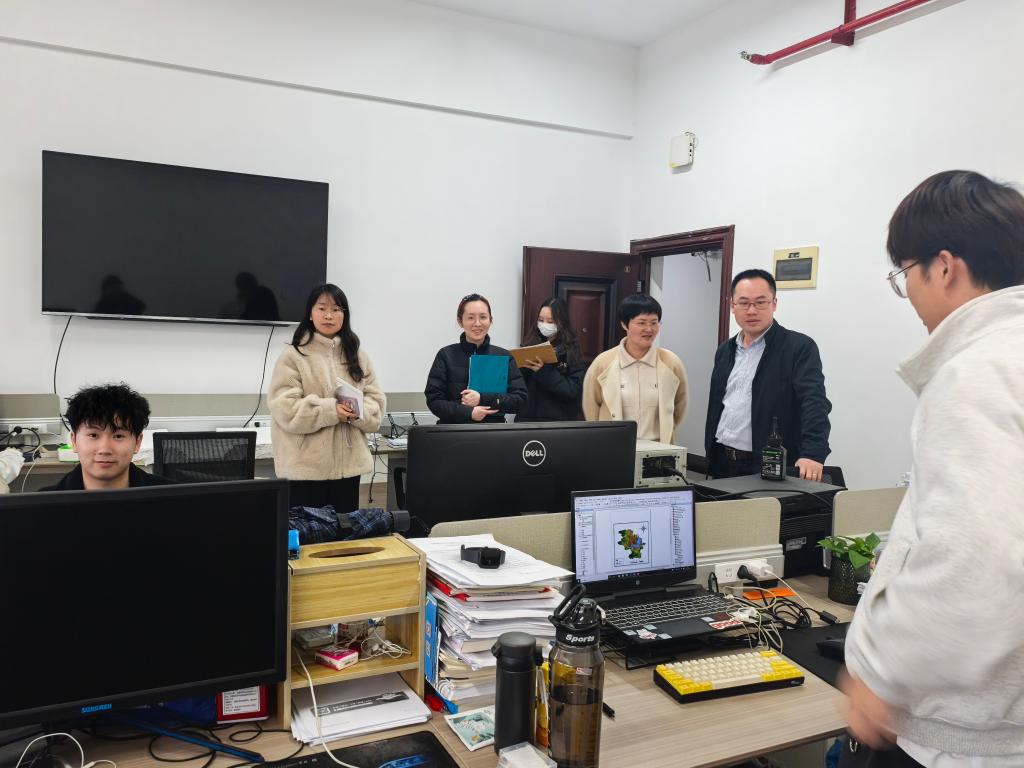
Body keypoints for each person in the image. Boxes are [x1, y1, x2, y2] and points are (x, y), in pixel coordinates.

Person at [840, 170, 1024, 766]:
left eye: (905, 275)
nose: (911, 297)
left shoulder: (976, 373)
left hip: (963, 736)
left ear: (944, 267)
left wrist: (882, 676)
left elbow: (978, 559)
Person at [704, 269, 831, 480]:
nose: (751, 310)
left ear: (774, 304)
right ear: (733, 306)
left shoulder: (798, 348)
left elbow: (814, 402)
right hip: (722, 460)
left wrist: (813, 453)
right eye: (744, 303)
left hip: (768, 462)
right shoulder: (725, 350)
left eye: (760, 302)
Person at [269, 284, 385, 515]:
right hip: (305, 471)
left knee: (344, 533)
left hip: (348, 469)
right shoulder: (293, 355)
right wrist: (331, 410)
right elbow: (285, 407)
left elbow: (376, 403)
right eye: (322, 308)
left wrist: (357, 411)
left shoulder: (358, 355)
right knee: (308, 534)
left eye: (336, 309)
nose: (329, 315)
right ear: (310, 314)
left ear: (344, 315)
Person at [582, 294, 687, 444]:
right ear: (625, 325)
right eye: (641, 322)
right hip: (614, 447)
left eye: (654, 322)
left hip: (659, 448)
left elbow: (680, 405)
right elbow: (591, 405)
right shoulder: (603, 362)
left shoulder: (671, 362)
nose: (649, 329)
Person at [40, 383, 173, 491]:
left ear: (137, 443)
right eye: (93, 435)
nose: (104, 449)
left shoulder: (172, 498)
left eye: (118, 436)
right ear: (74, 441)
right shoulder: (43, 506)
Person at [425, 293, 528, 424]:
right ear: (460, 321)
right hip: (453, 431)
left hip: (493, 431)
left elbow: (520, 399)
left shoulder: (504, 356)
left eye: (483, 317)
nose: (477, 323)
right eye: (471, 318)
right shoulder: (446, 355)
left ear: (490, 320)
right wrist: (469, 413)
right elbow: (434, 400)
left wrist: (482, 399)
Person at [515, 297, 586, 422]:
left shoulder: (572, 351)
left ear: (561, 322)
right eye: (540, 320)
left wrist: (545, 372)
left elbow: (573, 391)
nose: (544, 325)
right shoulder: (529, 344)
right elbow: (517, 387)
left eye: (550, 321)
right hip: (526, 420)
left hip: (557, 423)